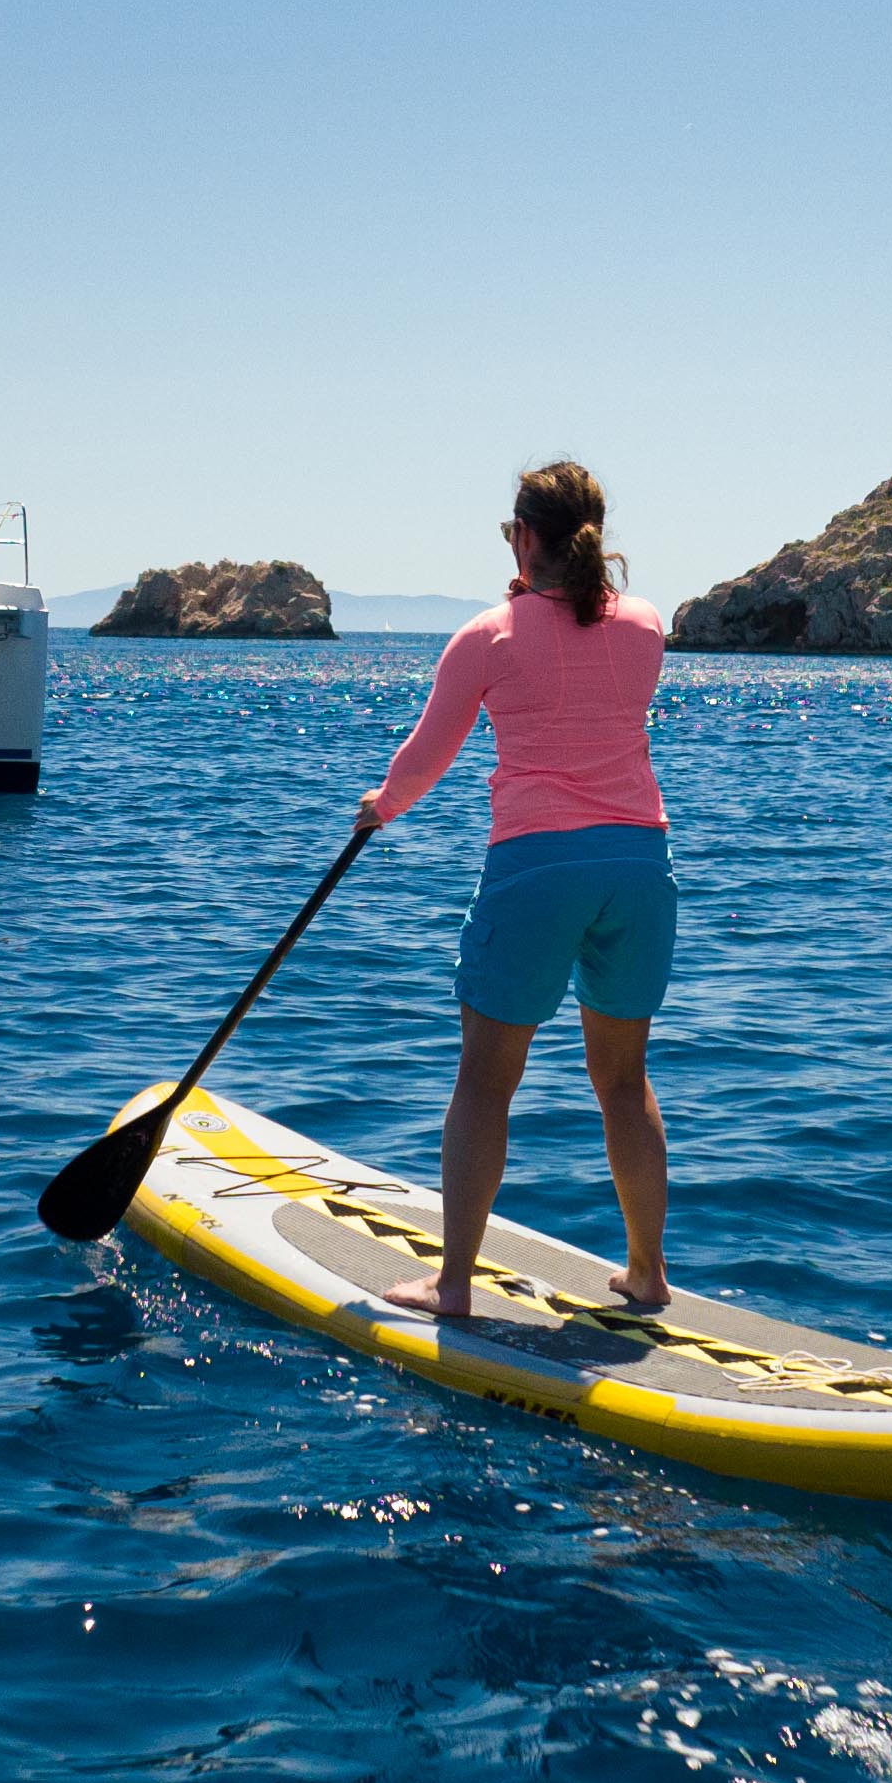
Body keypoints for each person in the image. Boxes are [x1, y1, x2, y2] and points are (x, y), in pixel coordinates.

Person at [355, 458, 674, 1321]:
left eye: (511, 532)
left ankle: (453, 1284)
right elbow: (587, 649)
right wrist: (540, 596)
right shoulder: (646, 626)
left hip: (539, 866)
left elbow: (428, 756)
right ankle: (648, 1273)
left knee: (486, 1080)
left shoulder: (486, 636)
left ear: (525, 537)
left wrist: (379, 809)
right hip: (640, 867)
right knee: (623, 1079)